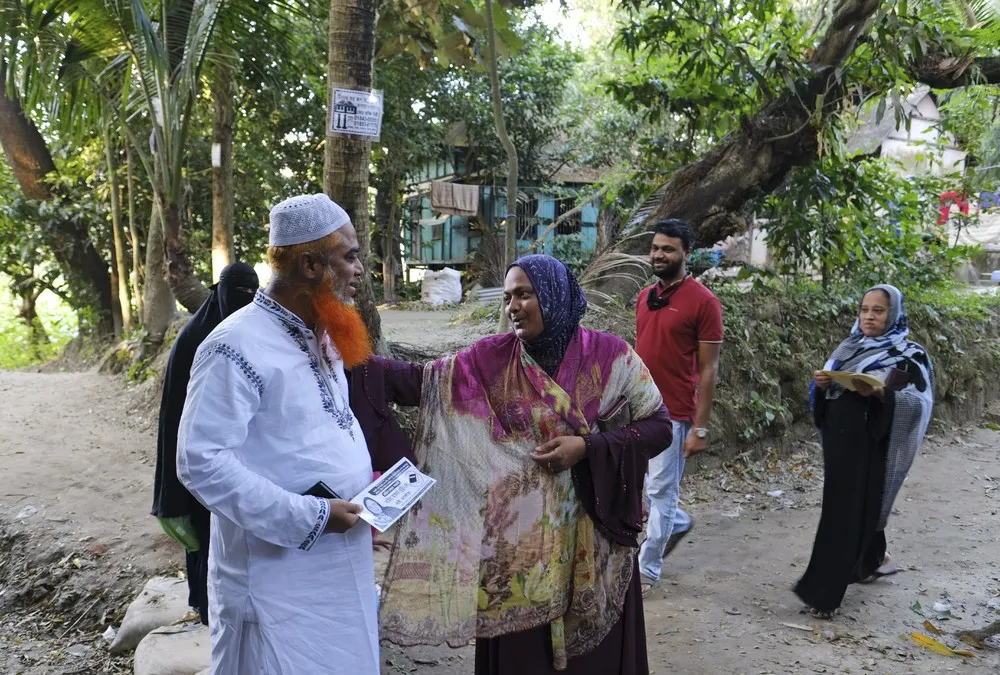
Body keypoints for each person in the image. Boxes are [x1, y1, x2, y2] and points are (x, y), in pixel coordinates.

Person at [378, 254, 672, 675]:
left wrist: (588, 447)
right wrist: (351, 363)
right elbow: (423, 382)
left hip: (592, 543)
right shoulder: (492, 360)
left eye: (524, 294)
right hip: (517, 554)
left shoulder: (610, 356)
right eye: (508, 297)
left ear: (553, 296)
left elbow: (659, 426)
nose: (512, 306)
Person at [176, 193, 380, 673]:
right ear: (310, 264)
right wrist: (308, 516)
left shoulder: (324, 333)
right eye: (349, 256)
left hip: (338, 561)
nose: (359, 270)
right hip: (274, 576)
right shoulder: (232, 345)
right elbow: (200, 461)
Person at [795, 284, 933, 619]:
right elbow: (824, 397)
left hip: (873, 446)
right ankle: (872, 561)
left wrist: (881, 395)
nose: (869, 317)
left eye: (878, 310)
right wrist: (822, 384)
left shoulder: (909, 354)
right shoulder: (849, 346)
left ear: (894, 314)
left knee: (845, 515)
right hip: (841, 443)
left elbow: (919, 403)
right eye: (864, 309)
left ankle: (825, 595)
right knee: (856, 509)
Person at [152, 262, 259, 625]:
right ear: (219, 292)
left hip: (234, 455)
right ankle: (205, 604)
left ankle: (229, 604)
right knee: (205, 532)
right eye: (238, 293)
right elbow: (173, 418)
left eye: (252, 294)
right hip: (198, 456)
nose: (244, 301)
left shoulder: (242, 334)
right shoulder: (194, 339)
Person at [634, 219, 723, 595]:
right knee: (639, 489)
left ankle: (647, 570)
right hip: (638, 407)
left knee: (661, 492)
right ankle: (678, 522)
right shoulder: (644, 296)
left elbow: (708, 368)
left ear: (687, 253)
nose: (659, 254)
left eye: (668, 249)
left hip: (674, 414)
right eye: (655, 247)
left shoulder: (704, 302)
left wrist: (699, 427)